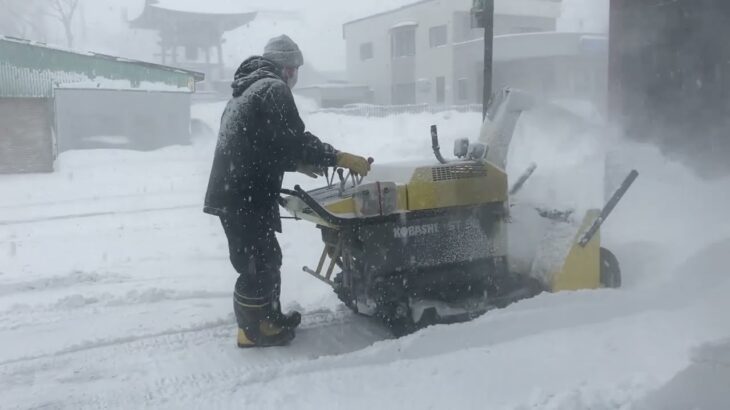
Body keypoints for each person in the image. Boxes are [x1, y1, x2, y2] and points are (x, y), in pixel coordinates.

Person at [204, 35, 372, 348]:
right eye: (295, 69)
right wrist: (337, 157)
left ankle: (270, 318)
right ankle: (253, 332)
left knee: (265, 257)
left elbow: (265, 144)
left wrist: (296, 164)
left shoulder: (247, 89)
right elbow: (293, 139)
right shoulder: (272, 88)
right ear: (288, 68)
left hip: (240, 191)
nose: (295, 77)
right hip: (244, 195)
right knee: (257, 263)